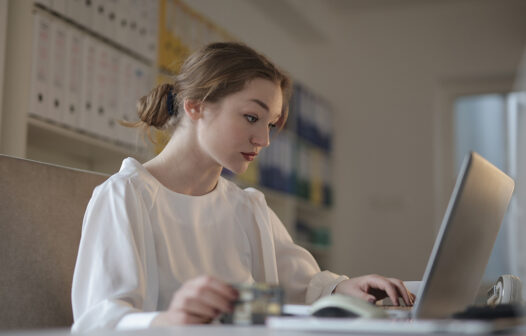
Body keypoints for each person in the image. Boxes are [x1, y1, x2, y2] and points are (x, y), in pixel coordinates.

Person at [71, 42, 414, 332]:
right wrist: (169, 319)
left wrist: (344, 288)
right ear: (196, 106)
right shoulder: (126, 196)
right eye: (252, 117)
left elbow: (304, 285)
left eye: (270, 124)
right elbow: (96, 322)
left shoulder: (247, 208)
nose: (264, 140)